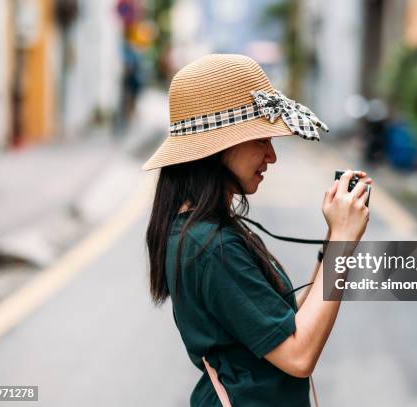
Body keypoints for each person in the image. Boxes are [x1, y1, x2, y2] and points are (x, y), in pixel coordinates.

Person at [143, 54, 371, 406]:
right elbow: (298, 355)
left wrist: (334, 237)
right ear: (218, 146)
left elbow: (279, 322)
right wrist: (341, 243)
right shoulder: (211, 247)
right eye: (261, 140)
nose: (272, 156)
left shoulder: (200, 233)